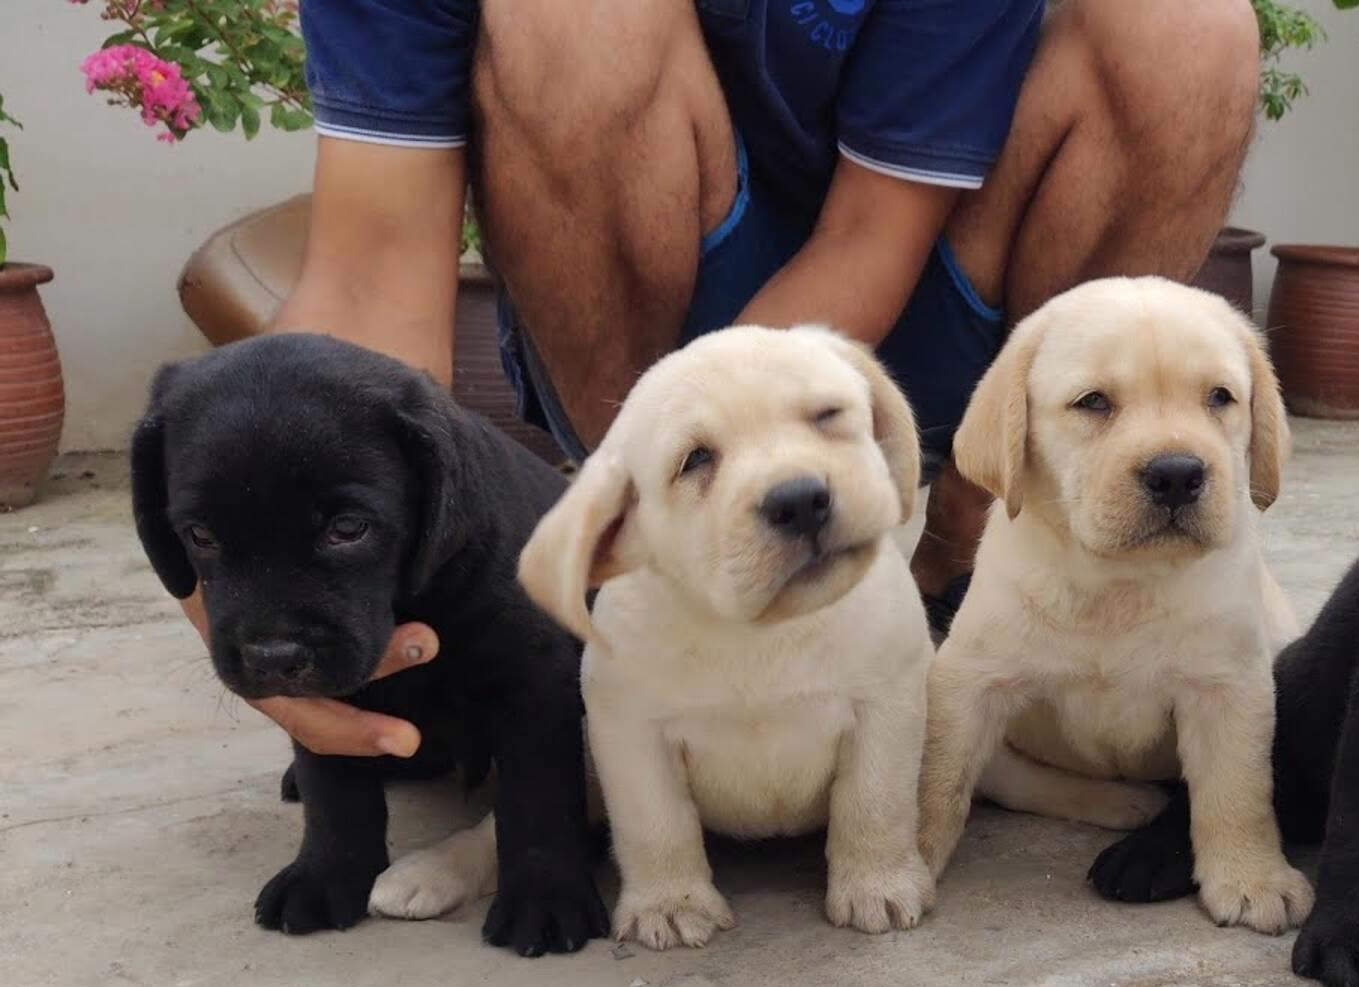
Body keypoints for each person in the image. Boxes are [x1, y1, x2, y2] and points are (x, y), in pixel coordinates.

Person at [183, 0, 1262, 759]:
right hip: (630, 309)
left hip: (900, 274)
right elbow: (373, 275)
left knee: (1183, 28)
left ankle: (971, 588)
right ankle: (631, 593)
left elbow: (869, 238)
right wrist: (238, 561)